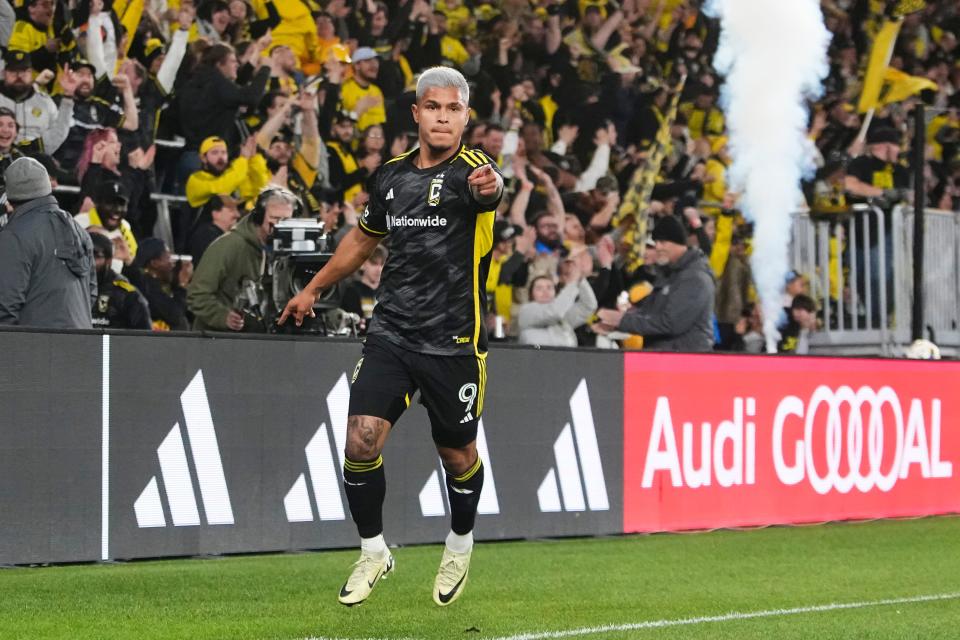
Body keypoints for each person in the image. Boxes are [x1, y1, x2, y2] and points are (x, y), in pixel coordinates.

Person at [279, 67, 504, 608]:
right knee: (359, 440)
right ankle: (373, 549)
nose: (443, 117)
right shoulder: (391, 177)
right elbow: (362, 239)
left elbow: (492, 191)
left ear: (466, 116)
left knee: (457, 453)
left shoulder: (475, 172)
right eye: (433, 107)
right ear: (417, 114)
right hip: (392, 333)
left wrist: (492, 190)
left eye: (453, 109)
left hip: (453, 341)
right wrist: (311, 290)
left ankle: (459, 540)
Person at [596, 215, 715, 352]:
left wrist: (621, 321)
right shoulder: (670, 274)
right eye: (656, 241)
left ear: (679, 242)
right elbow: (650, 313)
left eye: (663, 242)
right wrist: (617, 321)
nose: (657, 247)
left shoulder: (694, 278)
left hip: (688, 363)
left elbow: (670, 324)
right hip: (666, 358)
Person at [0, 157, 95, 328]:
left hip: (37, 348)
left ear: (10, 197)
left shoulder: (13, 236)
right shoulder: (80, 230)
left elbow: (4, 305)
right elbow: (91, 293)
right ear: (47, 188)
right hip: (83, 345)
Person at [187, 187, 295, 331]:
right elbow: (197, 295)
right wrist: (223, 317)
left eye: (286, 220)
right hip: (218, 343)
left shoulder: (282, 251)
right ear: (258, 216)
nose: (280, 226)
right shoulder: (229, 245)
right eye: (274, 218)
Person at [517, 262, 597, 348]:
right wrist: (573, 283)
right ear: (531, 294)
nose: (545, 291)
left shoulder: (562, 311)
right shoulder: (526, 310)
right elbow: (553, 313)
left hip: (566, 358)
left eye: (549, 287)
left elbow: (588, 306)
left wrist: (580, 280)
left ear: (555, 292)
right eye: (539, 288)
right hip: (535, 358)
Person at [89, 232, 152, 330]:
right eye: (83, 255)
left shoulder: (126, 295)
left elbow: (145, 338)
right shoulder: (69, 290)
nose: (88, 261)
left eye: (95, 256)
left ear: (109, 260)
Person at [136, 237, 192, 331]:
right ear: (154, 263)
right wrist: (182, 284)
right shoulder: (148, 289)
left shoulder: (161, 284)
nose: (172, 263)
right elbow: (175, 315)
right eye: (168, 257)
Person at [188, 194, 240, 266]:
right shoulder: (206, 236)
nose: (237, 214)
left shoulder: (223, 236)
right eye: (231, 210)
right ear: (216, 214)